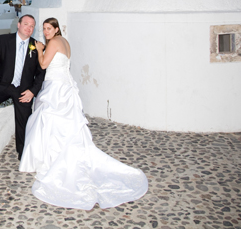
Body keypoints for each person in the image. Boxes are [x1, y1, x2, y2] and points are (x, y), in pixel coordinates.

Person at [19, 17, 148, 209]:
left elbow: (45, 65)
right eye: (44, 29)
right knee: (63, 123)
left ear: (56, 30)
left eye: (49, 28)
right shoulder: (65, 42)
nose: (45, 32)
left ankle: (51, 158)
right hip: (66, 87)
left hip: (56, 89)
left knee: (48, 119)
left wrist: (39, 50)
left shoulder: (53, 42)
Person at [0, 14, 46, 159]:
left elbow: (41, 72)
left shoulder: (37, 46)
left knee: (23, 119)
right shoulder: (3, 40)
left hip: (23, 89)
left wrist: (32, 92)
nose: (29, 28)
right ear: (18, 25)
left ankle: (22, 150)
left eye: (32, 26)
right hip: (3, 85)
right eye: (26, 24)